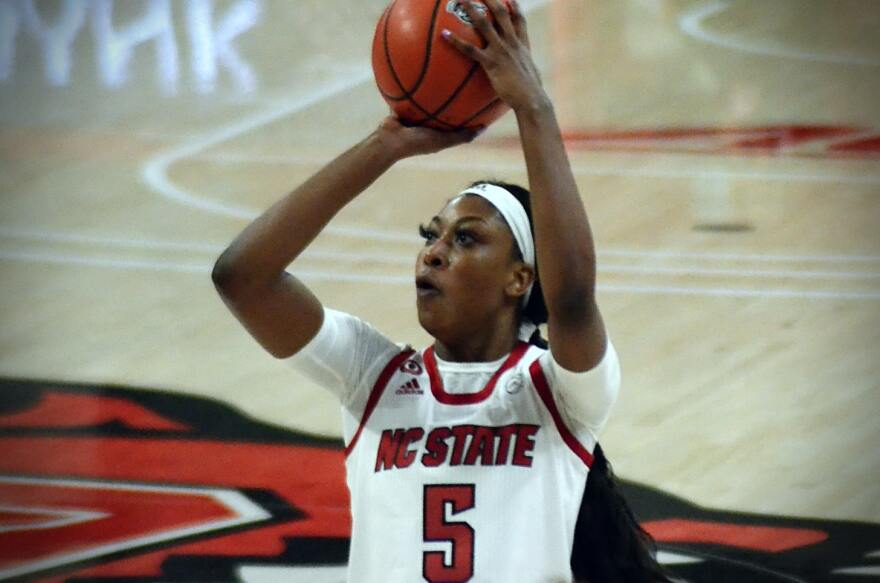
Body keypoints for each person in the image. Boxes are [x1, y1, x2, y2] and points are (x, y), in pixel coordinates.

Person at [213, 0, 669, 581]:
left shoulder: (558, 392)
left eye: (466, 239)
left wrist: (534, 106)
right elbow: (242, 277)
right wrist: (387, 144)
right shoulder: (372, 377)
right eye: (431, 236)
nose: (433, 251)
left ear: (519, 279)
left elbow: (574, 297)